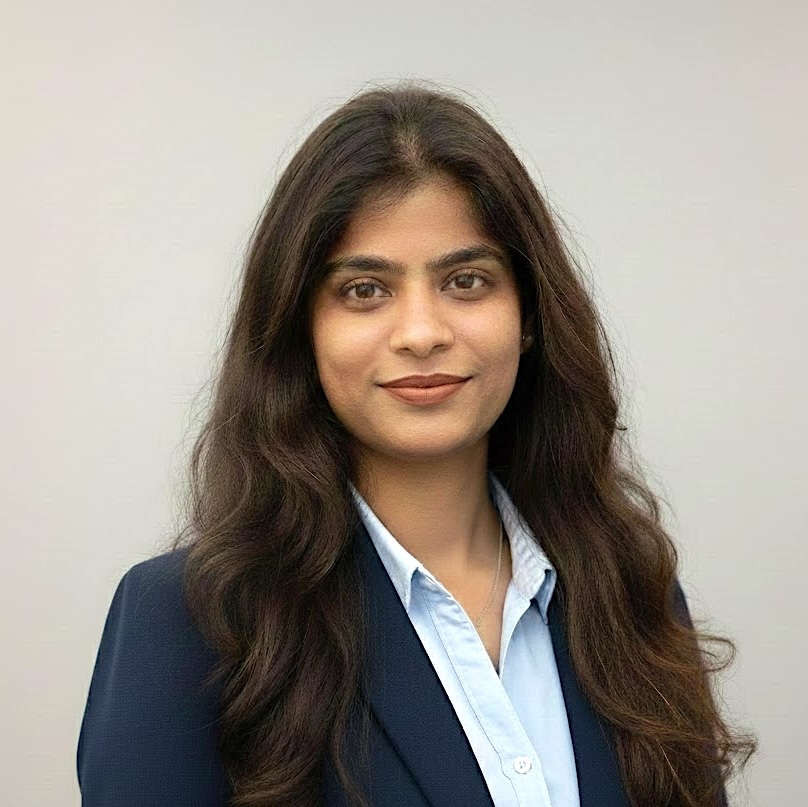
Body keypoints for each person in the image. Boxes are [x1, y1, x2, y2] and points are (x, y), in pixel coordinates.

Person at [77, 81, 756, 807]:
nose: (422, 332)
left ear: (528, 316)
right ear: (300, 330)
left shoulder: (628, 593)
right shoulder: (188, 622)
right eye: (365, 290)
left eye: (467, 281)